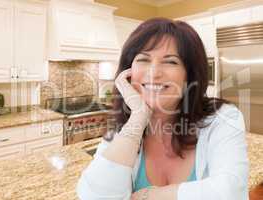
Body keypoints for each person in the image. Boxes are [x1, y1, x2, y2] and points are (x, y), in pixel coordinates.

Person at [76, 17, 249, 200]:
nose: (154, 72)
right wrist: (138, 117)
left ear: (189, 75)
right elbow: (94, 195)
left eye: (171, 62)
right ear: (128, 71)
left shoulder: (222, 118)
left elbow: (232, 192)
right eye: (143, 59)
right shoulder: (124, 127)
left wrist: (152, 196)